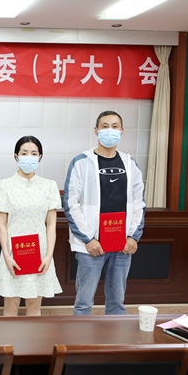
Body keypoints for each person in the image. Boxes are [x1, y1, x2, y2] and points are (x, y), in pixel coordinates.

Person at [64, 110, 146, 315]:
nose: (110, 130)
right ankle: (80, 337)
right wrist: (88, 239)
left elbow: (139, 203)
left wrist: (133, 236)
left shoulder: (130, 164)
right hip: (92, 245)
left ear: (122, 131)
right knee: (83, 303)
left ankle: (115, 337)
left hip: (122, 245)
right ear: (96, 130)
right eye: (105, 126)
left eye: (115, 126)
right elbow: (71, 204)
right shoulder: (81, 162)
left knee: (117, 303)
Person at [0, 136, 62, 316]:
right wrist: (7, 256)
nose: (29, 157)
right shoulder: (4, 186)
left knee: (34, 306)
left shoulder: (49, 186)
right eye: (24, 153)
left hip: (40, 254)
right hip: (12, 253)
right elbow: (1, 225)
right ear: (16, 156)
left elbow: (51, 225)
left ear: (40, 157)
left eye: (34, 153)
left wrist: (49, 256)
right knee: (11, 306)